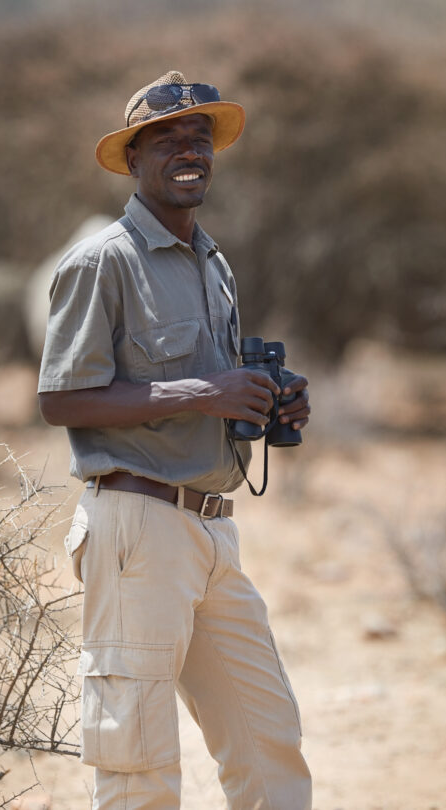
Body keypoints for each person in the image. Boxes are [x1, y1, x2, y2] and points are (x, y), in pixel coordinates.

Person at [38, 70, 312, 810]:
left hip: (215, 534)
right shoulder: (103, 262)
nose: (190, 151)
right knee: (139, 765)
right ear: (133, 160)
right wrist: (206, 392)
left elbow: (211, 389)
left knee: (269, 743)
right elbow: (61, 397)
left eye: (201, 138)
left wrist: (269, 402)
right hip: (137, 530)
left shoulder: (213, 265)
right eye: (167, 139)